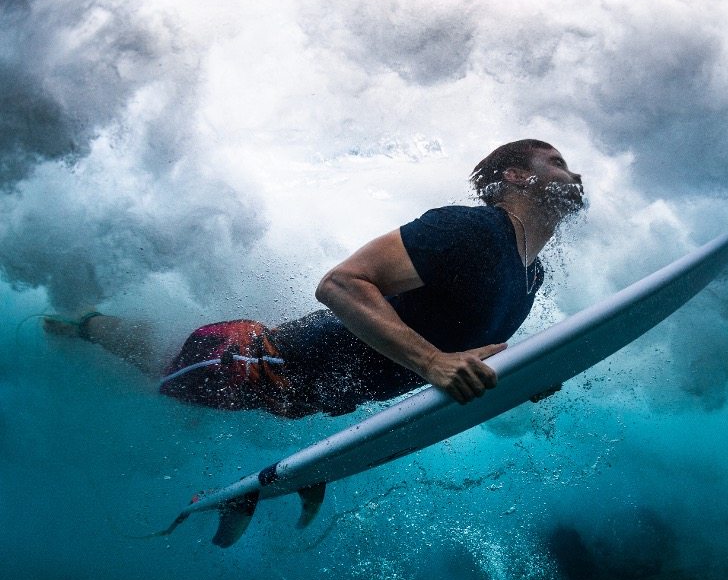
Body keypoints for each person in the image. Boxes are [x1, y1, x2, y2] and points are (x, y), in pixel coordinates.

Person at [45, 139, 584, 417]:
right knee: (154, 363)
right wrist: (435, 363)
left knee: (160, 366)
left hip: (302, 400)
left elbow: (457, 353)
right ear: (516, 176)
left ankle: (94, 325)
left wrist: (511, 378)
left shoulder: (528, 275)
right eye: (557, 162)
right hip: (248, 364)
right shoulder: (471, 230)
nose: (574, 173)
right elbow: (341, 285)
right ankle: (89, 324)